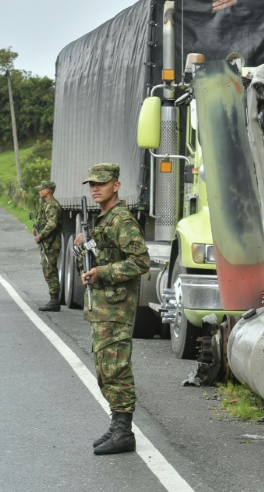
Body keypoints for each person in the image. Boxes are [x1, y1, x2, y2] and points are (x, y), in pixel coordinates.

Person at [76, 163, 150, 455]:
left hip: (117, 307)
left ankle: (124, 432)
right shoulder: (104, 219)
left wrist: (103, 272)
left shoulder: (122, 220)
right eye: (92, 184)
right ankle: (117, 424)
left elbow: (141, 262)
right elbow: (100, 254)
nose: (95, 188)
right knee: (105, 368)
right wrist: (83, 247)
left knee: (116, 367)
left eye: (101, 183)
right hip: (104, 307)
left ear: (116, 185)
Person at [34, 180, 63, 312]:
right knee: (48, 269)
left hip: (50, 243)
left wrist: (41, 235)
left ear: (48, 191)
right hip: (48, 243)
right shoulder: (47, 204)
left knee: (49, 270)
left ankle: (54, 301)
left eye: (42, 189)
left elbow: (52, 224)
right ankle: (54, 299)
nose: (40, 191)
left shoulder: (51, 205)